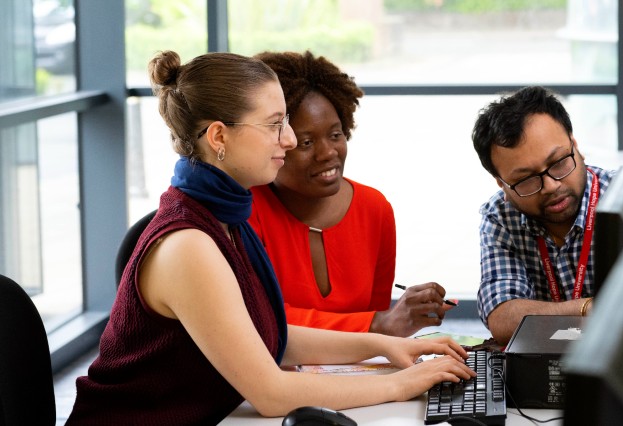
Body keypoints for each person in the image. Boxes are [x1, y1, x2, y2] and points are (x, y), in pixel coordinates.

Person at [66, 51, 474, 425]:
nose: (290, 139)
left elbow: (268, 332)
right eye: (275, 124)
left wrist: (385, 346)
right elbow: (271, 394)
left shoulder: (225, 216)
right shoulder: (189, 243)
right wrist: (403, 383)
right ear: (219, 138)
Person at [471, 86, 623, 344]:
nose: (551, 186)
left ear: (576, 146)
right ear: (501, 184)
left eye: (559, 162)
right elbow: (502, 317)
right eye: (526, 180)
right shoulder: (500, 216)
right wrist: (592, 309)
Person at [248, 50, 454, 337]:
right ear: (275, 142)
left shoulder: (374, 208)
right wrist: (378, 323)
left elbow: (377, 329)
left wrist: (398, 318)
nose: (328, 153)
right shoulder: (245, 208)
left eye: (336, 135)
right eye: (306, 142)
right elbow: (258, 320)